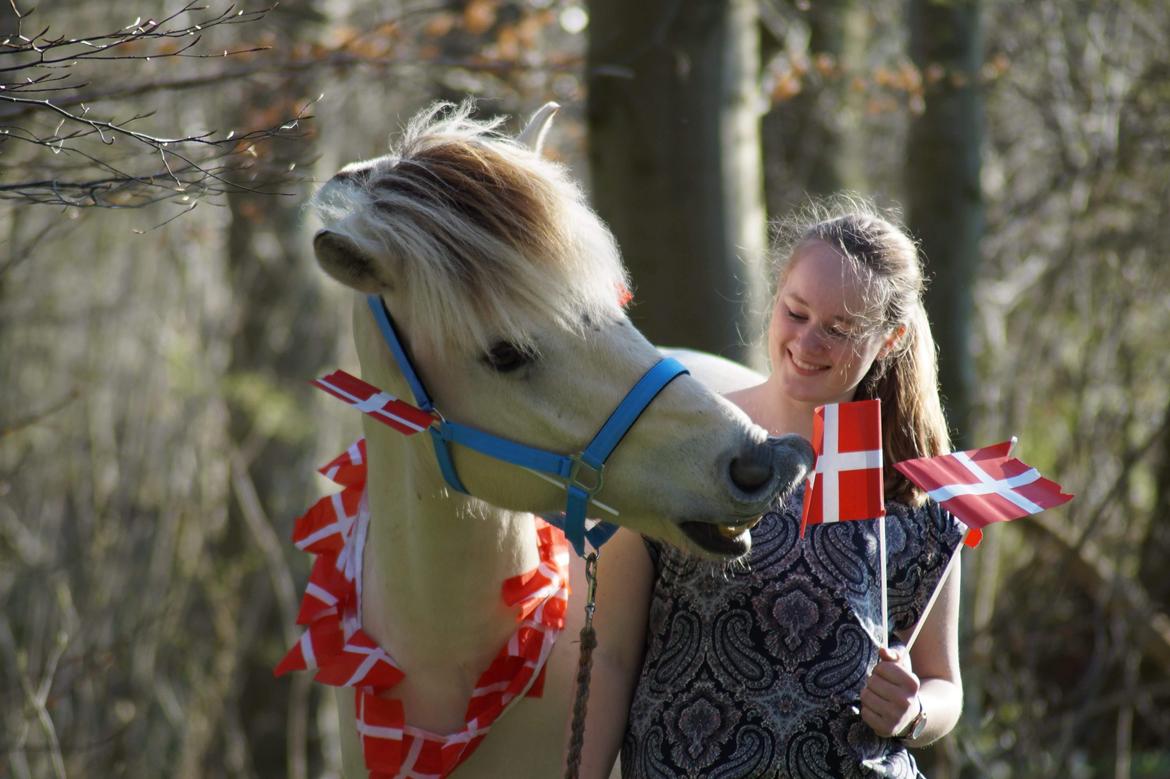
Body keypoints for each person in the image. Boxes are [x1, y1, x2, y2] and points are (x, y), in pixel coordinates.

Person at [574, 197, 966, 778]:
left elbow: (944, 685)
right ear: (776, 292)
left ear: (890, 339)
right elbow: (608, 656)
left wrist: (914, 713)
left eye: (840, 329)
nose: (808, 345)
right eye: (797, 313)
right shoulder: (679, 449)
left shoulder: (915, 487)